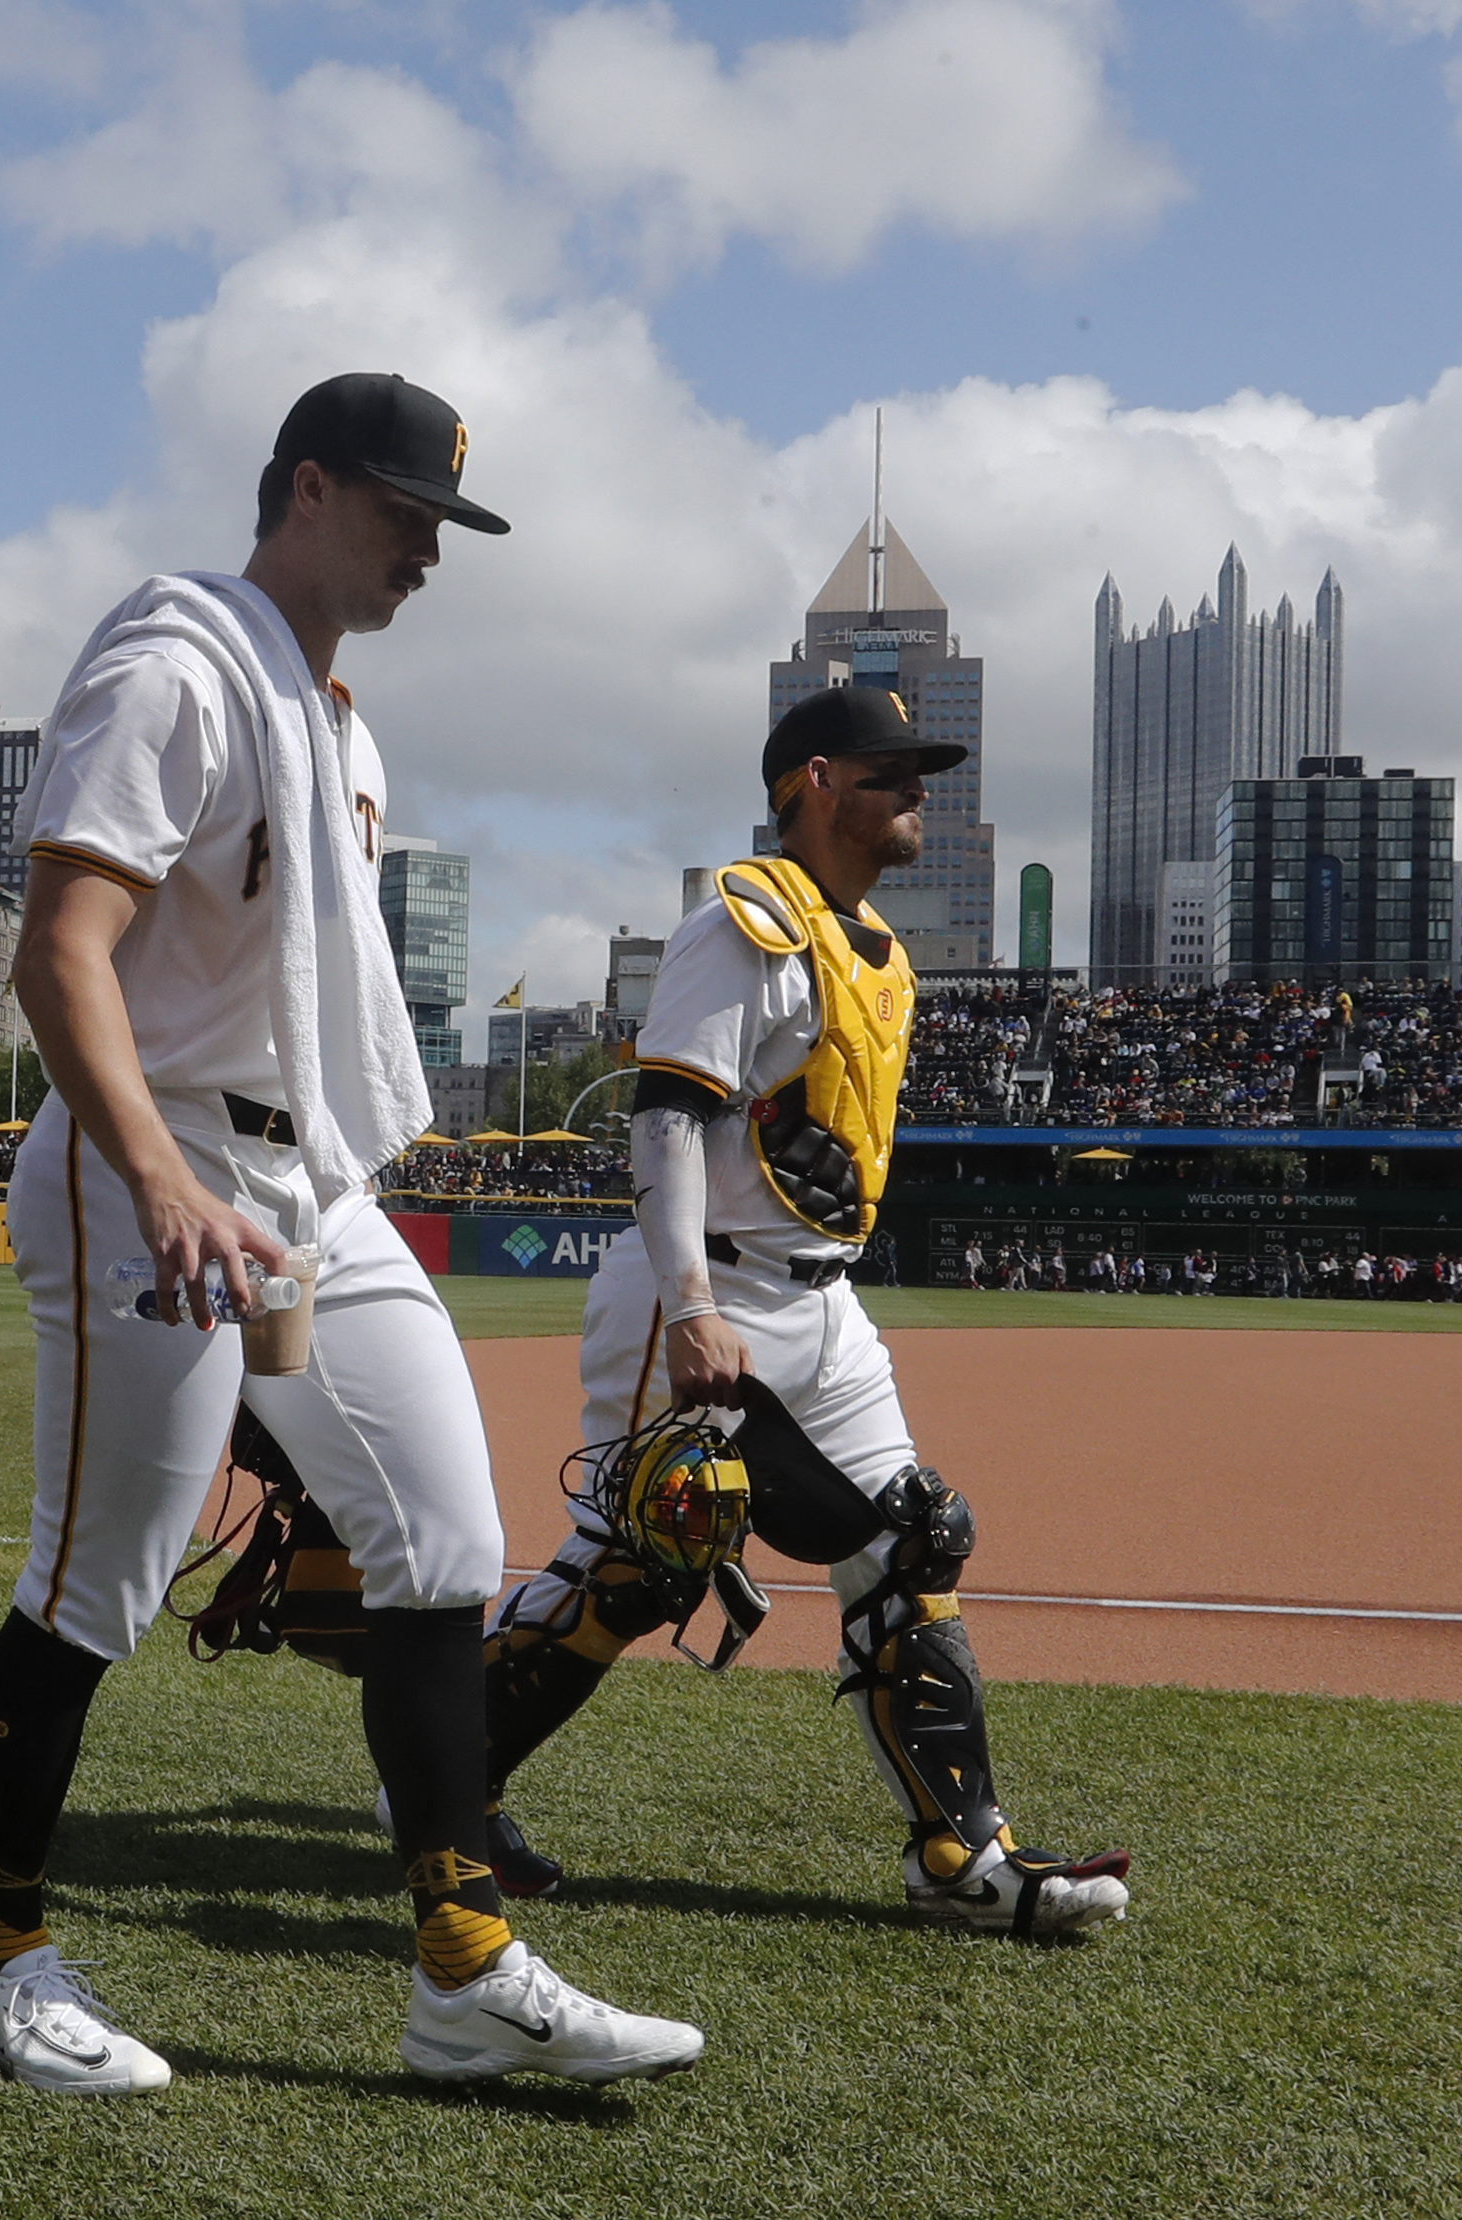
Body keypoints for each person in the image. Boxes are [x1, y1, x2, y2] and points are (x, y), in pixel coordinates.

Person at [0, 373, 700, 2097]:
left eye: (442, 521)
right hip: (160, 1158)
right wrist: (154, 1174)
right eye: (402, 510)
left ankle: (461, 1967)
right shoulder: (177, 656)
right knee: (93, 1585)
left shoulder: (336, 719)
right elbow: (60, 950)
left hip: (309, 1191)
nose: (430, 545)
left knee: (442, 1541)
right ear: (300, 490)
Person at [482, 684, 1131, 1938]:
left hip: (828, 1306)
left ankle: (961, 1855)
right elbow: (666, 1114)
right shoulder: (746, 920)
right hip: (711, 1290)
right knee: (640, 1564)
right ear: (815, 781)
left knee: (910, 1543)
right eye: (892, 774)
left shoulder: (874, 950)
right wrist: (688, 1305)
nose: (917, 797)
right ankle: (441, 1786)